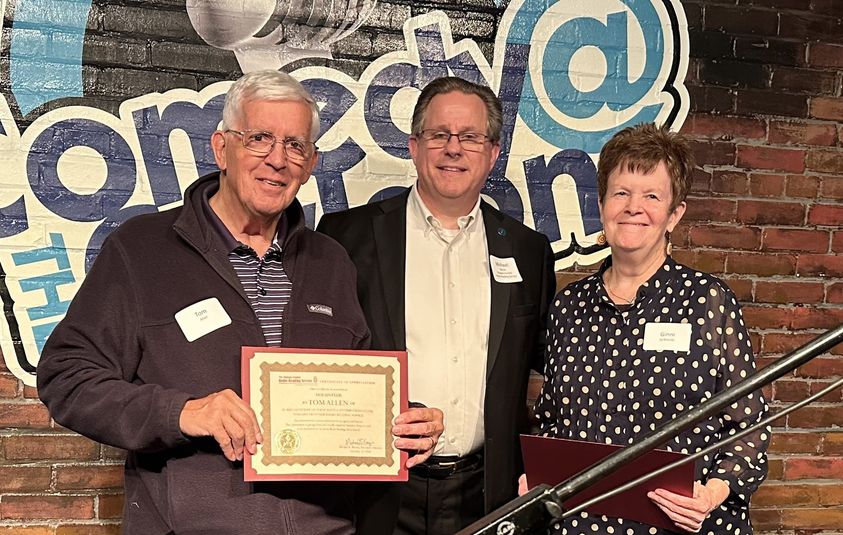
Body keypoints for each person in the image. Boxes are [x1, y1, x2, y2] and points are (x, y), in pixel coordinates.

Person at [37, 70, 443, 535]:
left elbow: (349, 389)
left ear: (310, 164)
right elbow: (67, 378)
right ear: (221, 148)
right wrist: (184, 412)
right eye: (259, 138)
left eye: (295, 146)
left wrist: (406, 420)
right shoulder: (141, 250)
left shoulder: (330, 261)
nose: (278, 160)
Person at [317, 76, 556, 534]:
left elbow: (547, 370)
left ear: (493, 153)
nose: (453, 148)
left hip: (487, 492)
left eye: (470, 137)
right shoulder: (347, 237)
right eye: (439, 135)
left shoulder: (528, 250)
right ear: (414, 145)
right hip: (379, 489)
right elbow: (321, 358)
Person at [527, 123, 770, 534]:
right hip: (583, 523)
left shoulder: (707, 301)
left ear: (674, 214)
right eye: (621, 192)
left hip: (681, 521)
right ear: (601, 204)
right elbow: (553, 421)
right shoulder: (569, 306)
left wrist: (713, 491)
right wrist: (537, 477)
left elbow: (749, 424)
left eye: (652, 196)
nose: (633, 207)